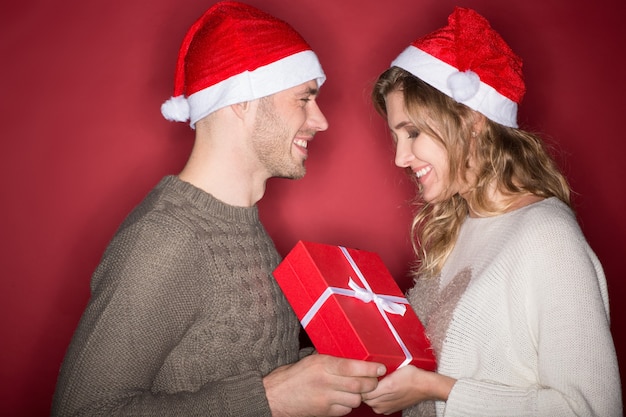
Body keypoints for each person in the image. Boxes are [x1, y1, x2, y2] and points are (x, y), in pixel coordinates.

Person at [51, 2, 385, 416]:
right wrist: (272, 400)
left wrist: (313, 376)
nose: (321, 120)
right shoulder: (167, 238)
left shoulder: (242, 224)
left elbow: (240, 367)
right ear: (242, 100)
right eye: (304, 98)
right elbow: (83, 410)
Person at [363, 7, 622, 417]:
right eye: (396, 136)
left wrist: (436, 389)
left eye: (412, 132)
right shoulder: (461, 224)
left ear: (471, 121)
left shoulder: (547, 237)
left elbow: (591, 409)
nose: (400, 157)